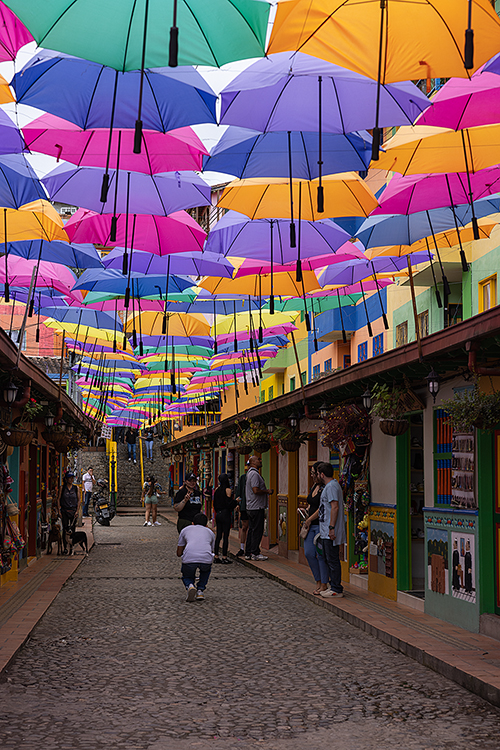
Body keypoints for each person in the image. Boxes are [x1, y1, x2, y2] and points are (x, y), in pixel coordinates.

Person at [317, 462, 346, 598]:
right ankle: (333, 585)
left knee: (333, 560)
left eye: (317, 474)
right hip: (326, 530)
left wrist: (331, 527)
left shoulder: (332, 487)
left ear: (322, 474)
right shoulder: (330, 486)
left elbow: (335, 507)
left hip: (330, 531)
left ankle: (336, 588)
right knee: (329, 559)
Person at [301, 461, 330, 595]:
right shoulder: (314, 487)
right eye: (312, 473)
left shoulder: (325, 488)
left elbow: (321, 508)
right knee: (308, 553)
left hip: (319, 525)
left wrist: (309, 518)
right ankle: (318, 580)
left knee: (320, 555)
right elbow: (312, 504)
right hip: (310, 525)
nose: (313, 476)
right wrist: (305, 510)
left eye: (314, 473)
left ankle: (324, 583)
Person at [176, 512, 215, 602]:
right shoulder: (211, 532)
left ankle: (190, 585)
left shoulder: (185, 530)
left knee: (186, 575)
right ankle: (200, 590)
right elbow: (211, 550)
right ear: (206, 525)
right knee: (205, 570)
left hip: (189, 559)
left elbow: (179, 552)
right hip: (206, 559)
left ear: (192, 523)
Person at [245, 455, 273, 561]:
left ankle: (249, 552)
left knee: (252, 529)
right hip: (256, 507)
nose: (260, 461)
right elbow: (255, 490)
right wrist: (267, 491)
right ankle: (255, 553)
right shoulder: (254, 474)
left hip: (251, 506)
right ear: (252, 462)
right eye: (258, 460)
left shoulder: (250, 473)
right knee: (257, 530)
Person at [213, 473, 237, 564]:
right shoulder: (228, 490)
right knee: (225, 536)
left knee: (218, 536)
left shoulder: (216, 490)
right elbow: (229, 503)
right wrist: (236, 501)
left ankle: (216, 556)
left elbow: (215, 503)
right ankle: (224, 557)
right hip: (225, 514)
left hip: (218, 514)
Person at [56, 471, 82, 554]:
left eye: (72, 478)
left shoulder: (76, 488)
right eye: (69, 478)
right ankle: (65, 547)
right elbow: (58, 499)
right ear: (66, 479)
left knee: (73, 530)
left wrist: (77, 511)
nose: (71, 479)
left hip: (73, 511)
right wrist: (59, 510)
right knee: (65, 529)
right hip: (64, 511)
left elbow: (79, 500)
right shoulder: (62, 488)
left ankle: (72, 548)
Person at [235, 463, 249, 557]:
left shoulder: (257, 477)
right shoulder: (243, 478)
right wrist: (238, 503)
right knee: (244, 527)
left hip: (254, 507)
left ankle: (250, 547)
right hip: (244, 506)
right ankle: (242, 548)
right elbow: (239, 491)